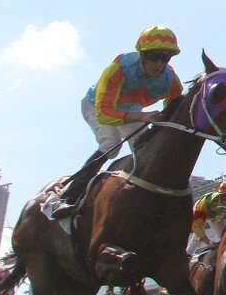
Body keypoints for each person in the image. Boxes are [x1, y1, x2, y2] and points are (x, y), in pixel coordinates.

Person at [50, 27, 183, 218]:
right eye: (154, 57)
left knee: (145, 148)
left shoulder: (170, 80)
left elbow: (173, 111)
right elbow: (104, 114)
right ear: (142, 55)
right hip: (97, 105)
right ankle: (68, 197)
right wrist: (143, 117)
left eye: (165, 58)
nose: (159, 64)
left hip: (130, 108)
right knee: (111, 146)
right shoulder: (118, 69)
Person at [188, 179, 226, 255]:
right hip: (202, 213)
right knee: (196, 239)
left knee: (223, 233)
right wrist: (208, 242)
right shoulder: (204, 207)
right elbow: (196, 226)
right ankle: (187, 256)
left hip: (215, 215)